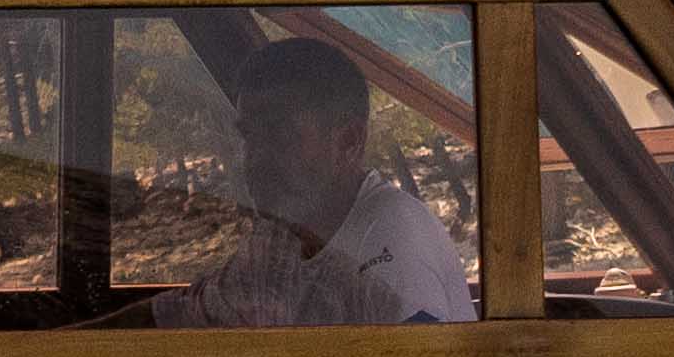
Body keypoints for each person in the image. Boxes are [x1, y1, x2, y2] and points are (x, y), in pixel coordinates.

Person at [170, 34, 481, 328]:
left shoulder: (392, 236)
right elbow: (184, 315)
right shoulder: (282, 241)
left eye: (281, 134)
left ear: (348, 140)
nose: (257, 158)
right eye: (249, 135)